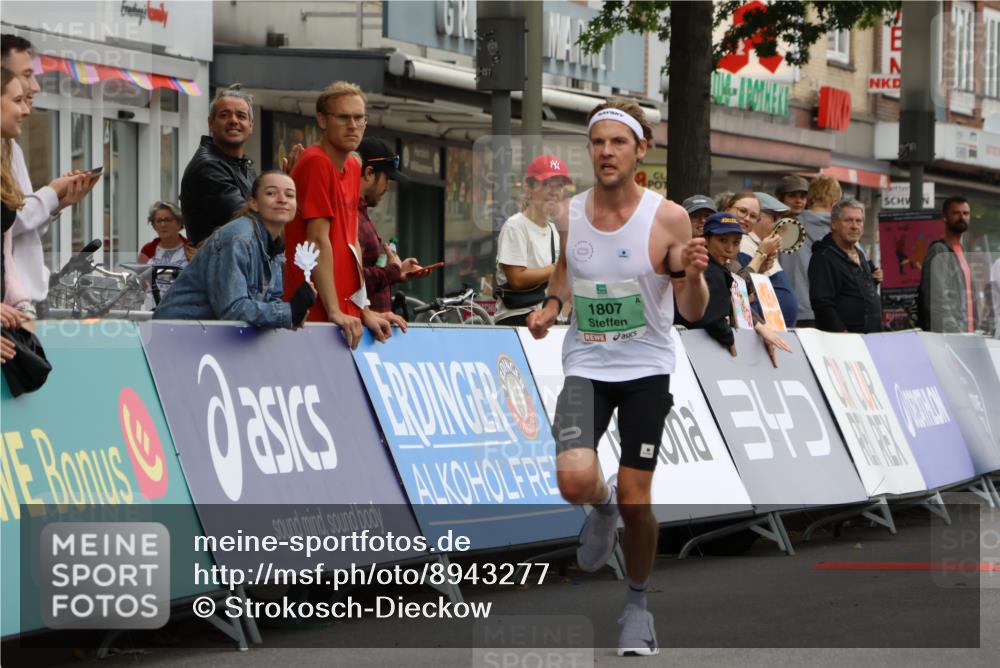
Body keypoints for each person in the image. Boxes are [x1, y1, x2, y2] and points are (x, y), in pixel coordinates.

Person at [526, 99, 711, 656]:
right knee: (574, 481)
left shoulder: (668, 217)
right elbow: (566, 271)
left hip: (646, 369)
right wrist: (551, 306)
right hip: (586, 364)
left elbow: (693, 308)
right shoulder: (571, 212)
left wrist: (695, 276)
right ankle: (598, 509)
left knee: (637, 497)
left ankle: (636, 608)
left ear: (640, 150)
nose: (606, 152)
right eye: (598, 142)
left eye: (618, 143)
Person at [284, 81, 401, 348]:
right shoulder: (316, 162)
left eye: (359, 118)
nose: (353, 125)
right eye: (343, 117)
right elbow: (317, 240)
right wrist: (335, 310)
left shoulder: (351, 164)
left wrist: (363, 308)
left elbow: (353, 244)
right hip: (315, 310)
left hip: (343, 312)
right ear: (322, 120)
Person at [2, 34, 97, 306]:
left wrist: (56, 202)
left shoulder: (11, 148)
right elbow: (11, 219)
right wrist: (50, 194)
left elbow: (20, 229)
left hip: (22, 301)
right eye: (27, 75)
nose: (35, 86)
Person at [154, 172, 315, 329]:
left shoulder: (275, 248)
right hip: (176, 334)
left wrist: (291, 314)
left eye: (289, 195)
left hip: (208, 338)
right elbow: (232, 309)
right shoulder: (238, 238)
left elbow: (269, 301)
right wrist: (287, 312)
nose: (282, 200)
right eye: (271, 193)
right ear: (254, 203)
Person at [676, 212, 792, 364]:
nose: (730, 248)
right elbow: (712, 316)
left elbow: (735, 299)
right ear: (706, 239)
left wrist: (760, 327)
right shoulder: (708, 270)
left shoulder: (721, 268)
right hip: (694, 352)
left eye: (736, 242)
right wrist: (729, 339)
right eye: (722, 240)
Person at [494, 155, 571, 326]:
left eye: (559, 186)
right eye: (546, 184)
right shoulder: (516, 226)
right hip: (518, 320)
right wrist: (557, 269)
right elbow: (517, 279)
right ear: (529, 188)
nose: (554, 192)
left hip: (550, 317)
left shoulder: (555, 231)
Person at [179, 85, 257, 248]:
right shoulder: (209, 167)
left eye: (241, 115)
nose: (234, 120)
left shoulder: (243, 165)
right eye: (224, 115)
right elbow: (250, 224)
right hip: (219, 270)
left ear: (251, 125)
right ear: (211, 123)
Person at [356, 137, 426, 315]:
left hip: (370, 329)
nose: (387, 187)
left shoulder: (361, 214)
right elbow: (351, 278)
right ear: (369, 173)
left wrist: (397, 272)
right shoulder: (352, 217)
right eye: (386, 179)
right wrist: (392, 271)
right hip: (359, 332)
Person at [808, 198, 883, 334]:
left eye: (858, 221)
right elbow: (822, 304)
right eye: (848, 220)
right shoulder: (824, 257)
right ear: (834, 224)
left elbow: (855, 291)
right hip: (844, 343)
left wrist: (873, 281)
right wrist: (842, 334)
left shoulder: (859, 252)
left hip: (870, 338)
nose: (854, 226)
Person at [785, 174, 841, 327]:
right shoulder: (843, 229)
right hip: (833, 312)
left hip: (794, 310)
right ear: (835, 200)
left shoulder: (787, 227)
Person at [917, 197, 977, 333]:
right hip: (951, 337)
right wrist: (954, 333)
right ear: (944, 216)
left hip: (968, 334)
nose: (962, 217)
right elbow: (937, 299)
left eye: (966, 213)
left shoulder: (963, 251)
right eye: (956, 213)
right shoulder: (939, 251)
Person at [738, 192, 798, 327]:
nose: (779, 223)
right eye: (775, 217)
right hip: (761, 331)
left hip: (773, 330)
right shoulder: (743, 244)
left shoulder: (762, 244)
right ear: (758, 217)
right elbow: (744, 292)